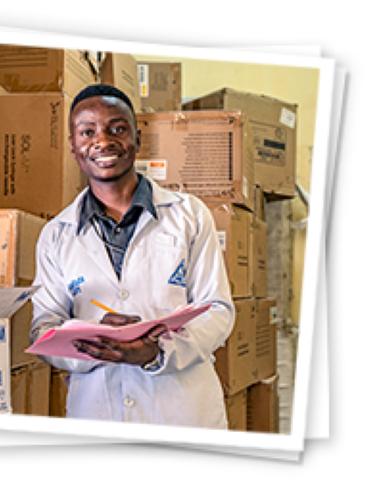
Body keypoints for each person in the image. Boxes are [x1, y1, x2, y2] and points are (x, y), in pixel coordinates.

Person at [29, 84, 235, 429]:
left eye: (117, 129)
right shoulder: (56, 234)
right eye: (87, 132)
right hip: (97, 415)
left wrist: (158, 353)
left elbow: (218, 310)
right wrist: (94, 339)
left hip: (183, 414)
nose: (103, 141)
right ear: (72, 146)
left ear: (137, 138)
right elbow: (43, 330)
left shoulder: (189, 215)